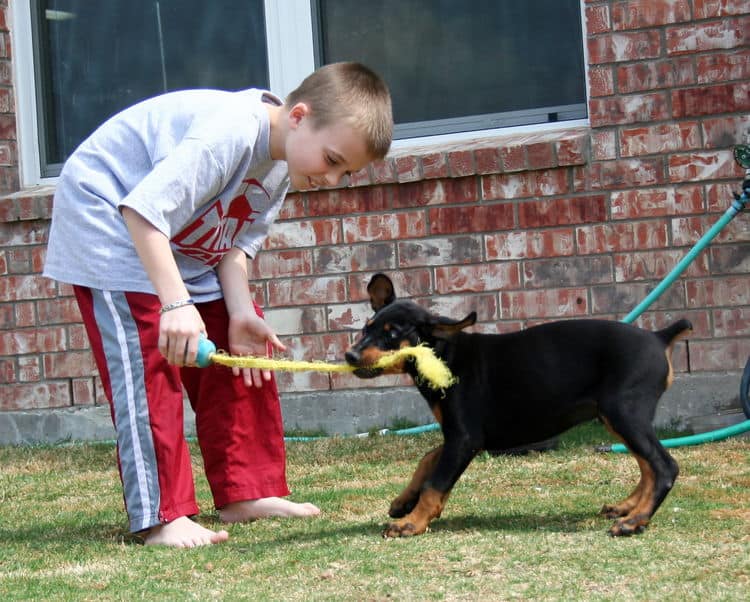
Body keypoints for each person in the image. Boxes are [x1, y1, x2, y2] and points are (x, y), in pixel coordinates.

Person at [43, 62, 393, 547]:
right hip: (111, 219)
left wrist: (241, 310)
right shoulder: (230, 132)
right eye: (332, 159)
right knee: (155, 356)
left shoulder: (284, 162)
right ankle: (162, 516)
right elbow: (141, 210)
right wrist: (173, 304)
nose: (332, 178)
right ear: (297, 116)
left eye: (345, 171)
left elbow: (232, 239)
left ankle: (245, 492)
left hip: (177, 239)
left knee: (241, 352)